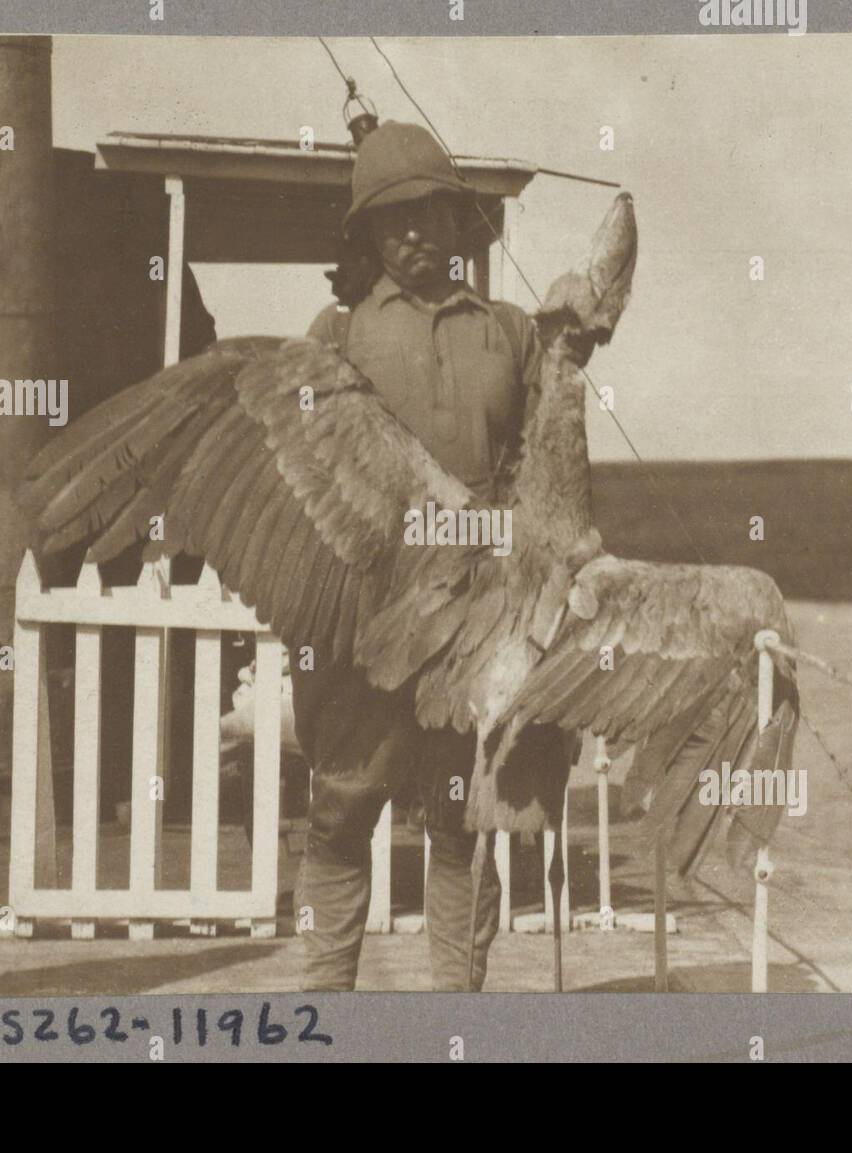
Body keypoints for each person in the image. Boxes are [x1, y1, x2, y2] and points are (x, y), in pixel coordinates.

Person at [292, 121, 571, 990]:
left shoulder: (512, 332)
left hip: (475, 633)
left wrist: (574, 344)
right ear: (366, 236)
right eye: (392, 219)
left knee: (462, 823)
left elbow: (540, 470)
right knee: (340, 813)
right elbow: (303, 478)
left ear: (460, 223)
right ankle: (324, 1014)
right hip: (367, 624)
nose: (414, 233)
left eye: (431, 213)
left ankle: (456, 1014)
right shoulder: (333, 336)